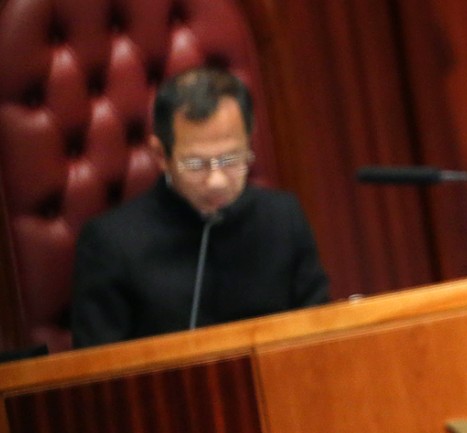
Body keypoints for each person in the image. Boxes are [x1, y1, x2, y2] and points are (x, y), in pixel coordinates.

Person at [71, 67, 330, 348]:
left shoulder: (283, 218)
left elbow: (320, 334)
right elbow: (99, 374)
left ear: (249, 141)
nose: (216, 181)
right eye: (196, 165)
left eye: (232, 159)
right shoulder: (111, 243)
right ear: (161, 155)